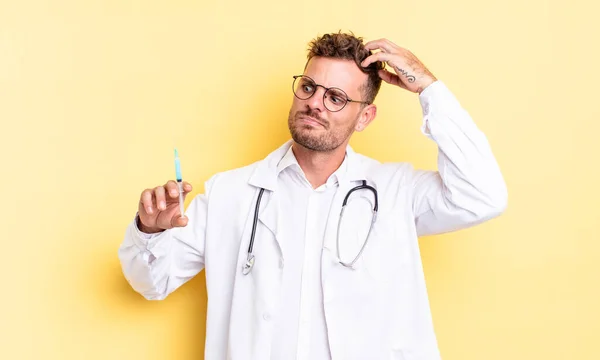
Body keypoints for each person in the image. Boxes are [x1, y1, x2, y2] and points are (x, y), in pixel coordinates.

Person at [118, 31, 507, 360]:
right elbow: (151, 282)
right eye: (308, 87)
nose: (315, 103)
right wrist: (150, 231)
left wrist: (428, 88)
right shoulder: (230, 194)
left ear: (365, 117)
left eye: (336, 97)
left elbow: (482, 195)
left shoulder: (394, 192)